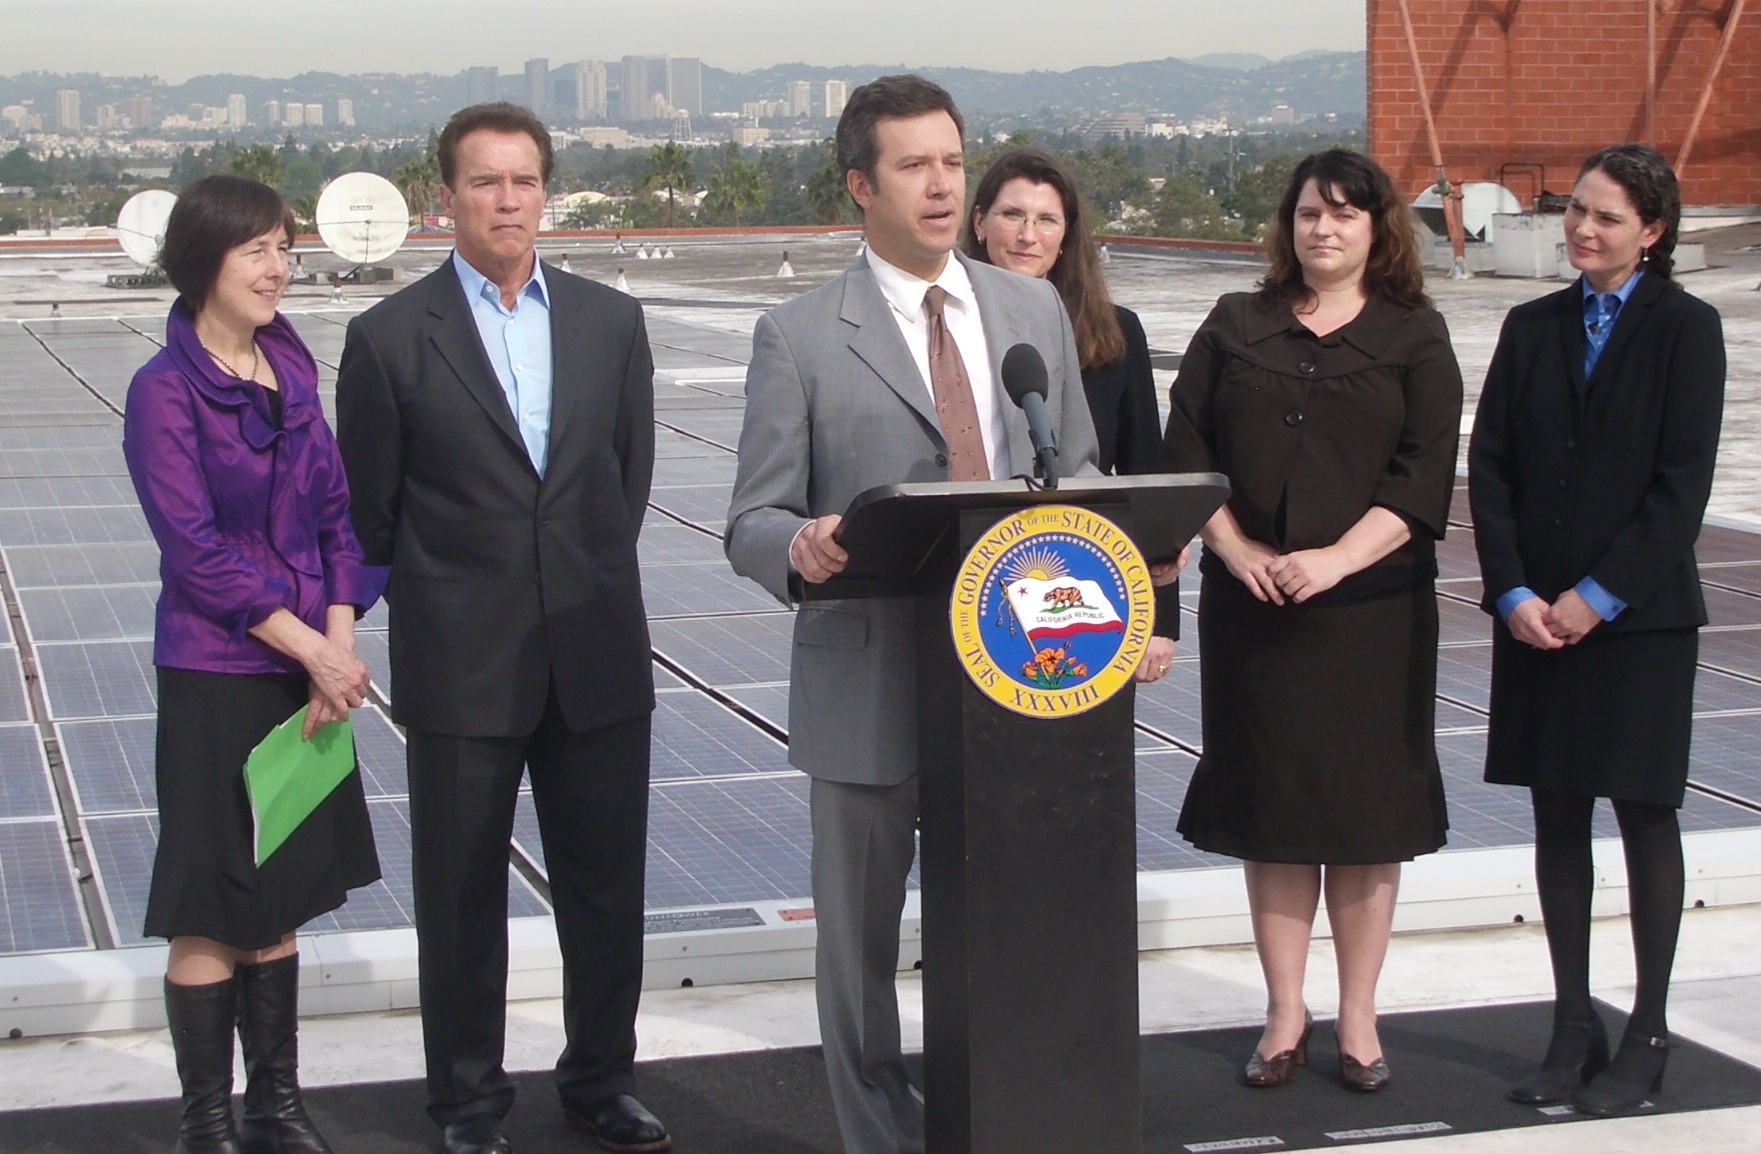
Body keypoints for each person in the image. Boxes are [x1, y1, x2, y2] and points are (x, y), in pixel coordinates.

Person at [724, 75, 1105, 1154]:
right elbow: (750, 515)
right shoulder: (797, 333)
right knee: (860, 947)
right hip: (869, 677)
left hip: (1019, 671)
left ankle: (1012, 1115)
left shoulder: (1030, 310)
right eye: (914, 165)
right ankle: (880, 1137)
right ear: (860, 185)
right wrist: (796, 546)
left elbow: (1074, 466)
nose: (943, 185)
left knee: (1010, 925)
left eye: (952, 160)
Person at [335, 103, 668, 1154]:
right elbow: (369, 509)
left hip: (597, 652)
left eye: (523, 180)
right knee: (462, 896)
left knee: (608, 888)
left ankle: (601, 1080)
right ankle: (469, 1102)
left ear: (546, 192)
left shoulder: (612, 323)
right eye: (484, 182)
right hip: (462, 665)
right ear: (447, 198)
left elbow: (627, 480)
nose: (507, 199)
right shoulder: (387, 337)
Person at [1162, 149, 1463, 1092]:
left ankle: (1360, 1021)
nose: (1321, 229)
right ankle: (1284, 1014)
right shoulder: (1234, 321)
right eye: (1305, 214)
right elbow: (1186, 449)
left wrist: (1334, 558)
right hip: (1257, 615)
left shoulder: (1415, 334)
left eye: (1342, 214)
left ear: (1378, 230)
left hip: (1372, 618)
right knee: (1277, 816)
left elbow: (1420, 478)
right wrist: (1240, 549)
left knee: (1366, 822)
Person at [123, 173, 383, 1154]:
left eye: (286, 248)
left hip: (308, 667)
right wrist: (315, 645)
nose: (280, 268)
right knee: (211, 900)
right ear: (203, 264)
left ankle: (277, 1106)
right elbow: (196, 554)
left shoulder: (293, 365)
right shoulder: (163, 392)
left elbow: (333, 517)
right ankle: (209, 1119)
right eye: (258, 250)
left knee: (279, 898)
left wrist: (341, 642)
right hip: (216, 672)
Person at [1468, 143, 1724, 1117]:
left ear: (1651, 232)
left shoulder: (1687, 330)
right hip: (1535, 619)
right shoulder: (1530, 326)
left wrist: (1597, 594)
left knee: (1644, 815)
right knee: (1556, 816)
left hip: (1639, 623)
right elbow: (1490, 469)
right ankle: (1571, 1022)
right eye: (1576, 209)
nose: (1583, 228)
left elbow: (1681, 487)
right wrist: (1516, 593)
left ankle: (1647, 1030)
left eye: (1608, 217)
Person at [962, 146, 1181, 684]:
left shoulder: (1117, 332)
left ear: (1067, 236)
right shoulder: (949, 332)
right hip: (972, 591)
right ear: (980, 223)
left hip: (1083, 594)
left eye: (1046, 220)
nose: (1027, 235)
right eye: (1012, 215)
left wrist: (1159, 618)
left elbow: (1145, 474)